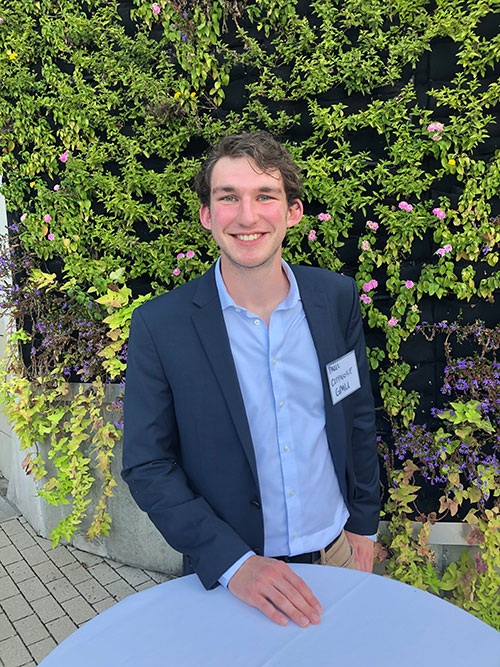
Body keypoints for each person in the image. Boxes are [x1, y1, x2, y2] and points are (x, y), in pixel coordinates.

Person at [122, 132, 380, 628]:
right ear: (207, 216)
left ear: (293, 212)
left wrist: (364, 525)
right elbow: (148, 464)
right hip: (232, 577)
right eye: (228, 198)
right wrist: (233, 563)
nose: (247, 216)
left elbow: (357, 415)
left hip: (337, 555)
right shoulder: (163, 325)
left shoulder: (336, 300)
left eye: (265, 196)